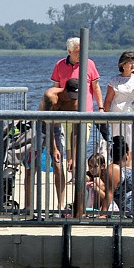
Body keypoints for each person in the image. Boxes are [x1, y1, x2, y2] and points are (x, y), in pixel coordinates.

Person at [24, 80, 80, 213]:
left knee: (58, 166)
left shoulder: (75, 103)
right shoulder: (51, 97)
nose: (72, 99)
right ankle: (28, 205)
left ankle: (60, 205)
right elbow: (47, 122)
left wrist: (73, 157)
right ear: (64, 90)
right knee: (32, 166)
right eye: (70, 95)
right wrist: (53, 148)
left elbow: (75, 131)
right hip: (39, 127)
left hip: (56, 128)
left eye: (75, 97)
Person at [51, 37, 105, 174]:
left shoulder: (89, 64)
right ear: (69, 51)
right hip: (66, 110)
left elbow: (96, 87)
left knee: (81, 141)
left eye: (82, 51)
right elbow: (55, 87)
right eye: (77, 51)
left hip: (85, 111)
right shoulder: (60, 65)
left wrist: (101, 108)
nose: (80, 54)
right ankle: (72, 170)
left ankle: (78, 170)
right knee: (68, 142)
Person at [103, 51, 134, 151]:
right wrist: (104, 116)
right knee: (118, 144)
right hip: (117, 115)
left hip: (133, 115)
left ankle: (131, 165)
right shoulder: (114, 80)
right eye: (130, 62)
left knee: (132, 144)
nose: (133, 65)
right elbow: (108, 100)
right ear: (123, 64)